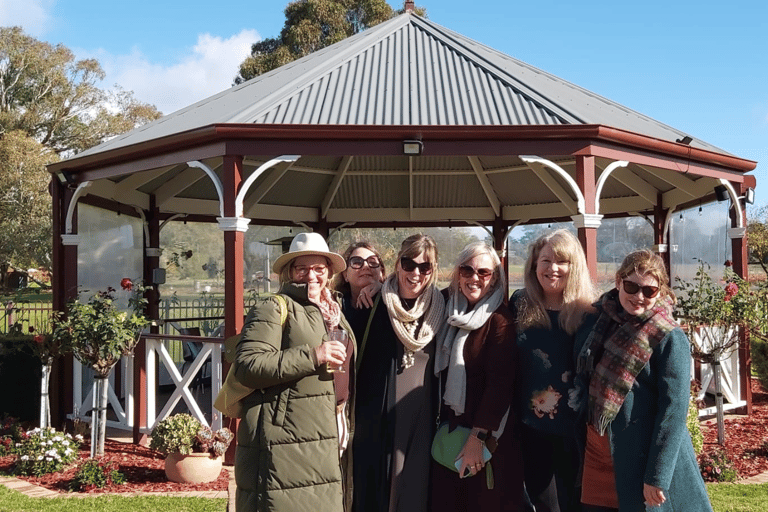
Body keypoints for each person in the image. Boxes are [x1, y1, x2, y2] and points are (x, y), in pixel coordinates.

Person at [575, 250, 713, 512]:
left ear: (660, 292)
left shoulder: (669, 337)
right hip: (597, 452)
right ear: (618, 282)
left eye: (649, 291)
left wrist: (657, 477)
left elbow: (674, 411)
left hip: (639, 458)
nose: (638, 297)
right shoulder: (598, 321)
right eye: (631, 286)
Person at [232, 232, 355, 512]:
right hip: (285, 438)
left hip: (327, 430)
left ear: (329, 273)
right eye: (303, 268)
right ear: (289, 272)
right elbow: (248, 366)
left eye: (319, 269)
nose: (312, 276)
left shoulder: (334, 311)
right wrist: (314, 355)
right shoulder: (273, 307)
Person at [352, 233, 446, 512]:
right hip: (376, 417)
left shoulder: (442, 306)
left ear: (433, 270)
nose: (416, 273)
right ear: (397, 265)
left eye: (424, 266)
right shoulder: (372, 305)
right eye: (409, 264)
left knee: (414, 490)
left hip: (422, 417)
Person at [431, 242, 524, 511]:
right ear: (458, 273)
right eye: (467, 270)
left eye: (483, 273)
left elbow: (500, 385)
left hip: (484, 438)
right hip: (449, 430)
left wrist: (477, 438)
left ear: (495, 278)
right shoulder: (446, 309)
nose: (474, 278)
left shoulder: (500, 321)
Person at [512, 229, 597, 512]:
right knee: (539, 504)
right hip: (528, 429)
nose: (553, 269)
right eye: (546, 260)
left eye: (562, 261)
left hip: (573, 433)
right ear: (534, 264)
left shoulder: (589, 314)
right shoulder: (519, 304)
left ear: (575, 266)